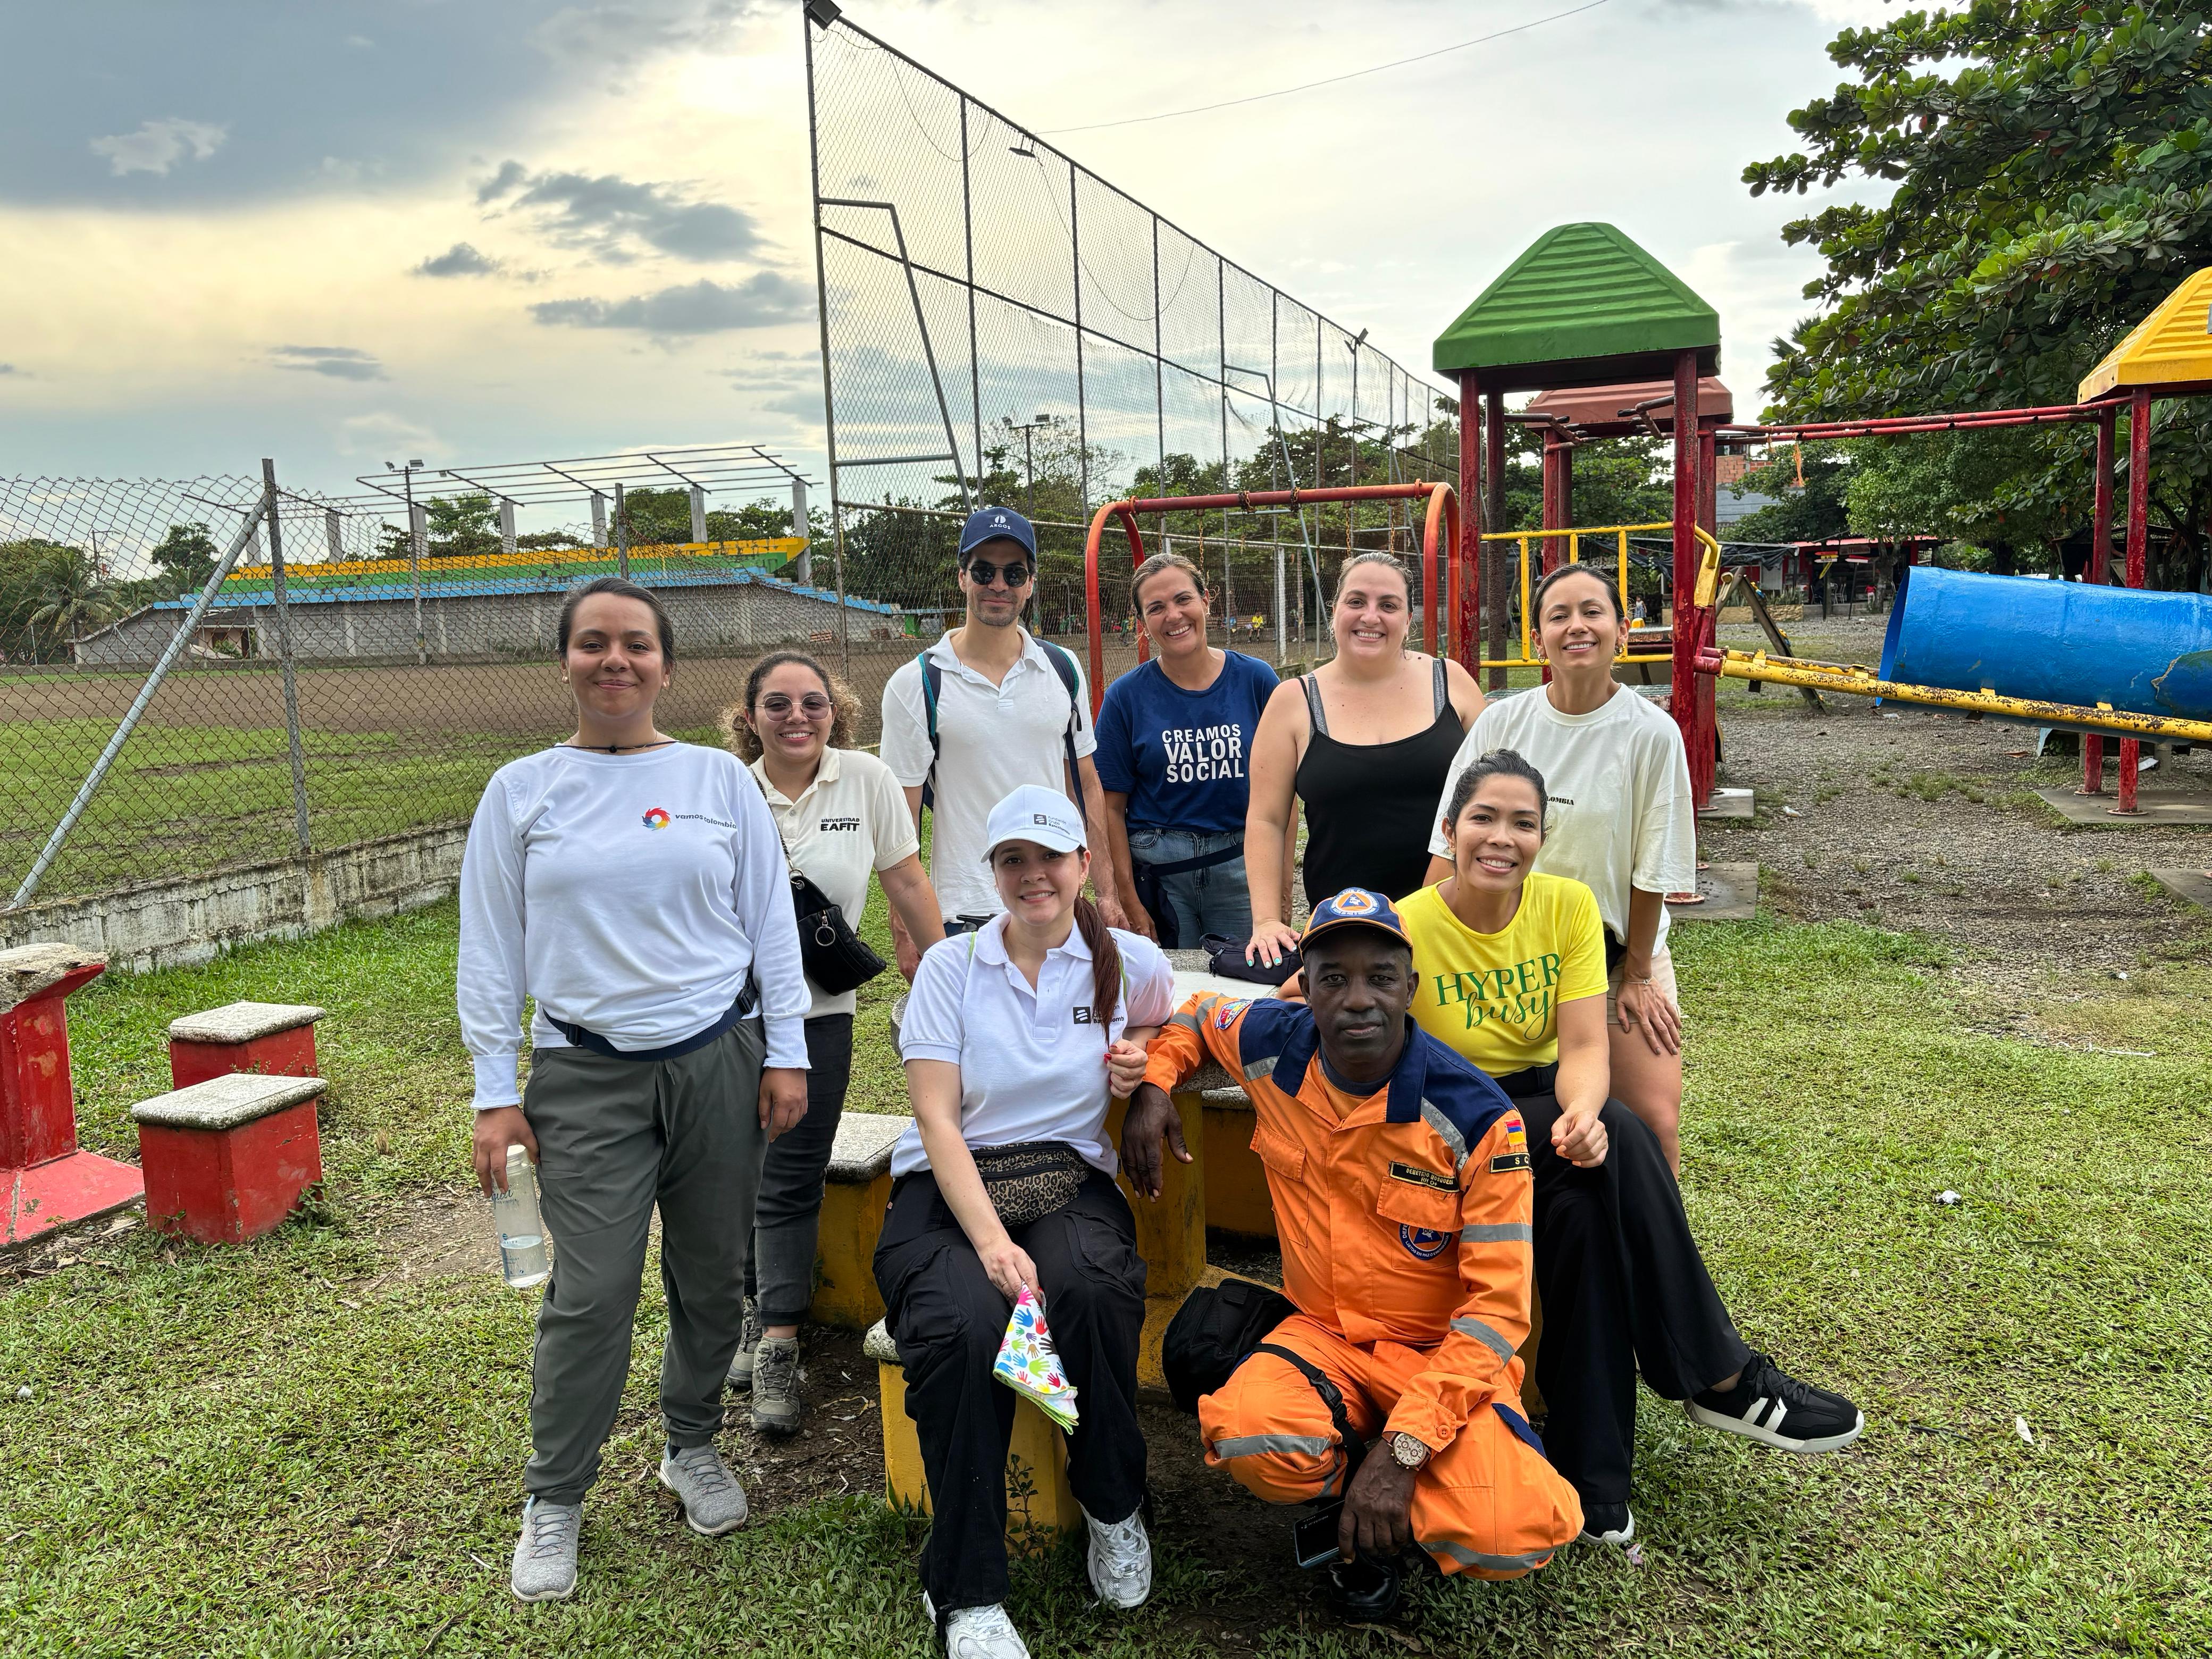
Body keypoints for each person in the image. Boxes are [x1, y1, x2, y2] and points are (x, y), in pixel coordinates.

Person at [1402, 748, 1863, 1545]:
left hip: (1543, 1096)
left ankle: (1594, 1478)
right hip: (1453, 1121)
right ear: (1451, 828)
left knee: (1585, 1204)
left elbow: (1584, 1047)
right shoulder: (1407, 925)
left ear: (1543, 836)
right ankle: (1721, 1376)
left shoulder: (1569, 907)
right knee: (1623, 1138)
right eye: (1483, 818)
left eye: (1523, 822)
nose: (1501, 837)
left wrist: (1580, 1114)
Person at [458, 576, 810, 1604]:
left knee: (710, 1278)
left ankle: (690, 1443)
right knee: (593, 1290)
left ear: (666, 663)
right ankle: (556, 1494)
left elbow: (769, 928)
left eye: (637, 645)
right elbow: (490, 954)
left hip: (717, 1060)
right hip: (584, 1074)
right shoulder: (520, 791)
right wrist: (494, 1093)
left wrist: (782, 1050)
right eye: (594, 644)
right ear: (564, 660)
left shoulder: (719, 780)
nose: (616, 661)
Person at [1125, 889, 1582, 1619]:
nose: (1358, 999)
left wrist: (1404, 1451)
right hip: (1324, 1336)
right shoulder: (1275, 1044)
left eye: (1381, 976)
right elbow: (1198, 1016)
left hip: (1441, 1358)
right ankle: (1350, 1511)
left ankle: (1390, 1493)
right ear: (1305, 988)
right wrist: (1154, 1083)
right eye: (1333, 977)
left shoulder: (1478, 1119)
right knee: (1254, 1437)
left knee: (1517, 1532)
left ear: (1412, 988)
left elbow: (1498, 1311)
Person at [876, 785, 1175, 1659]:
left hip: (1066, 1176)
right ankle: (966, 1593)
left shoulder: (1125, 960)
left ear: (1085, 864)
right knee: (962, 1325)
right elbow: (936, 1120)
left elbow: (1178, 1018)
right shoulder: (952, 969)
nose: (1033, 875)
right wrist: (992, 1246)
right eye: (1014, 859)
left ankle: (1112, 1503)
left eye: (1051, 857)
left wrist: (1148, 1072)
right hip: (948, 1185)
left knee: (1092, 1287)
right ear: (994, 872)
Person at [723, 650, 948, 1436]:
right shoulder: (722, 789)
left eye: (812, 703)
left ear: (836, 710)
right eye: (777, 704)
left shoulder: (867, 780)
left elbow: (908, 880)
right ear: (749, 717)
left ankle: (779, 1339)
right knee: (732, 1170)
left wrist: (950, 979)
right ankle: (751, 1312)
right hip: (726, 1018)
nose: (796, 718)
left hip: (821, 1012)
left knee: (790, 1173)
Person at [1424, 561, 1697, 1170]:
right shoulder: (1502, 723)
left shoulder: (1650, 733)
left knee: (1652, 1123)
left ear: (1622, 631)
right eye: (1558, 615)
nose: (1577, 626)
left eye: (1592, 612)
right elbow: (1450, 847)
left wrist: (1637, 975)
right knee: (1498, 1123)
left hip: (1613, 956)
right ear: (1537, 637)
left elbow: (1653, 868)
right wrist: (1412, 946)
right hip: (1505, 960)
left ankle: (1654, 1259)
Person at [880, 506, 1129, 971]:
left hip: (1055, 899)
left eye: (1014, 573)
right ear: (962, 578)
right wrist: (905, 928)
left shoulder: (1062, 668)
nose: (999, 585)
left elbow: (1086, 785)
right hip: (968, 910)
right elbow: (901, 818)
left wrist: (1106, 893)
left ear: (1030, 584)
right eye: (985, 571)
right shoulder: (918, 683)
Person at [1245, 551, 1482, 967]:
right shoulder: (1293, 701)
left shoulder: (1452, 682)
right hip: (1344, 934)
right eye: (1356, 602)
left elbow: (1497, 798)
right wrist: (1266, 920)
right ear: (1335, 610)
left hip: (1453, 923)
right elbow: (1266, 819)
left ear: (1408, 619)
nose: (1370, 617)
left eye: (1388, 605)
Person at [1094, 551, 1281, 947]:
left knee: (1242, 986)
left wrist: (1279, 892)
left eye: (1183, 599)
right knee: (1167, 990)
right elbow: (1110, 806)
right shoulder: (1125, 697)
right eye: (1156, 608)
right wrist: (1127, 895)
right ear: (1142, 622)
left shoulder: (1256, 681)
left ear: (1206, 600)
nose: (1173, 616)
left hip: (1240, 865)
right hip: (1160, 871)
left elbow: (1284, 794)